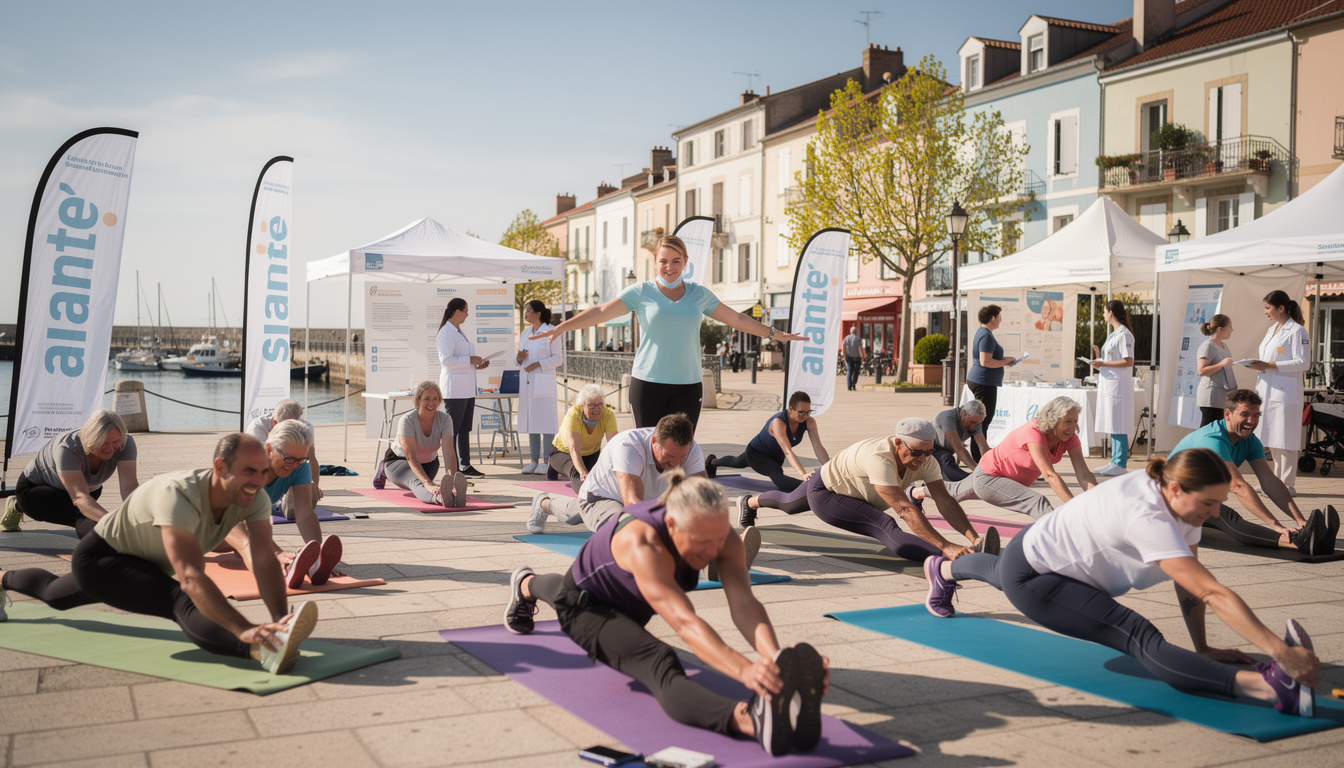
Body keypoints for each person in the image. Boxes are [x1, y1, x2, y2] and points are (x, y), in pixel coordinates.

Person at [922, 449, 1320, 718]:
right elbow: (1213, 592)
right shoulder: (1147, 514)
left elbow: (1194, 585)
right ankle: (1273, 691)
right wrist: (1279, 651)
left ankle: (942, 571)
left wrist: (1204, 647)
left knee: (998, 572)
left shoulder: (1180, 502)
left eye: (1219, 503)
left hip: (1039, 553)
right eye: (1209, 504)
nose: (1215, 513)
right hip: (1038, 575)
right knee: (1139, 636)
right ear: (1178, 488)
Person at [504, 472, 829, 756]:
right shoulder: (641, 543)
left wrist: (775, 661)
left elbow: (744, 603)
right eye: (701, 543)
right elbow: (685, 622)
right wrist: (746, 672)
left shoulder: (719, 536)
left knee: (560, 588)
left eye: (718, 541)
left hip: (627, 599)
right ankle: (749, 719)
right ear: (672, 524)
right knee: (659, 662)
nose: (712, 552)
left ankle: (525, 584)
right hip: (590, 609)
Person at [0, 434, 318, 674]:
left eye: (263, 473)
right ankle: (259, 650)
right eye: (249, 471)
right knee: (180, 599)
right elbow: (191, 578)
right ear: (219, 467)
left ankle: (2, 579)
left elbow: (263, 560)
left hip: (145, 562)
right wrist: (244, 629)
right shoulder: (179, 496)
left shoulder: (255, 495)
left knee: (55, 595)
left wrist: (280, 619)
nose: (257, 482)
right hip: (101, 558)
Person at [531, 236, 806, 429]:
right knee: (649, 450)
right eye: (663, 261)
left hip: (688, 384)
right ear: (654, 261)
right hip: (647, 383)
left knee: (679, 452)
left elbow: (736, 318)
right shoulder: (641, 292)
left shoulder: (699, 294)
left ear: (685, 261)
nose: (669, 267)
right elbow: (602, 311)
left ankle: (673, 509)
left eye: (676, 261)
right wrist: (562, 326)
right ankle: (649, 508)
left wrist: (775, 333)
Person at [737, 418, 998, 562]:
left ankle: (749, 503)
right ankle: (951, 557)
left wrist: (973, 537)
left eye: (928, 451)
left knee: (789, 503)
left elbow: (945, 501)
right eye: (916, 452)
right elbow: (904, 509)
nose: (922, 458)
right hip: (829, 492)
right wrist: (946, 546)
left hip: (842, 483)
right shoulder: (879, 457)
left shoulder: (926, 458)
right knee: (886, 526)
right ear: (898, 444)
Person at [1169, 388, 1332, 556]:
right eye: (1244, 414)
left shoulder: (1250, 441)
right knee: (1226, 517)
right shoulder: (1212, 440)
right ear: (1228, 413)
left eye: (1256, 416)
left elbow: (1270, 481)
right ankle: (1299, 542)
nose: (1251, 421)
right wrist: (1276, 525)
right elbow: (1238, 486)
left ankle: (1313, 537)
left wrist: (1301, 520)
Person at [528, 413, 706, 534]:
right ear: (654, 441)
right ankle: (544, 503)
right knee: (624, 527)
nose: (676, 464)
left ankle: (543, 503)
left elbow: (704, 497)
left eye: (681, 457)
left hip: (644, 500)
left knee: (573, 512)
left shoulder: (691, 449)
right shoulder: (629, 446)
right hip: (601, 497)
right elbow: (633, 505)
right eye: (669, 456)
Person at [222, 420, 345, 589]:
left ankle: (303, 567)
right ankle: (283, 569)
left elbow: (305, 513)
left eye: (300, 459)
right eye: (289, 458)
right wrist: (277, 552)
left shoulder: (299, 466)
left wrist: (318, 555)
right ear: (269, 449)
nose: (294, 465)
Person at [936, 396, 1098, 520]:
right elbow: (1049, 475)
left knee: (953, 492)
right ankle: (1059, 539)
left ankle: (916, 492)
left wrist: (1097, 500)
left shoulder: (1069, 437)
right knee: (1037, 503)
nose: (1072, 427)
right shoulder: (1033, 432)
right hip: (989, 476)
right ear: (1054, 420)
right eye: (1068, 421)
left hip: (998, 476)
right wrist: (1074, 506)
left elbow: (1084, 474)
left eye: (1075, 421)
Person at [3, 410, 139, 536]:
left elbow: (129, 485)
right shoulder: (68, 447)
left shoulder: (126, 443)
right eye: (103, 442)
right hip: (36, 492)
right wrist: (112, 522)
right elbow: (80, 497)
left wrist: (140, 515)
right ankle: (17, 505)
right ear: (91, 438)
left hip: (88, 490)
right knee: (82, 515)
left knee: (88, 512)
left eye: (115, 442)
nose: (110, 448)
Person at [706, 391, 830, 493]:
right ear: (791, 409)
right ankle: (808, 489)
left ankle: (713, 462)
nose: (805, 415)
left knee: (738, 462)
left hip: (775, 456)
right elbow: (787, 452)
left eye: (808, 411)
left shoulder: (809, 422)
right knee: (774, 473)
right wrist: (803, 474)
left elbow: (818, 447)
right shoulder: (778, 422)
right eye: (801, 412)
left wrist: (830, 468)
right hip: (757, 453)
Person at [1247, 290, 1309, 493]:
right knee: (1273, 436)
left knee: (1286, 438)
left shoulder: (1297, 331)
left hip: (1285, 393)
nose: (1265, 312)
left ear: (1281, 308)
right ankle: (1276, 481)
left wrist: (1270, 365)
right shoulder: (1273, 329)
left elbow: (1303, 362)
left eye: (1268, 308)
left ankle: (1288, 483)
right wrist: (1259, 365)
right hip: (1268, 389)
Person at [373, 381, 468, 508]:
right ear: (417, 401)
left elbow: (449, 453)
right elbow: (410, 457)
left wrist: (452, 482)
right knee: (417, 483)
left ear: (439, 401)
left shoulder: (445, 419)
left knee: (426, 482)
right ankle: (439, 498)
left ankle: (451, 494)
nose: (431, 403)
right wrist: (428, 483)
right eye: (426, 399)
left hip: (429, 464)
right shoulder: (407, 421)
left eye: (435, 399)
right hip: (399, 463)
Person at [437, 296, 490, 478]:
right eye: (466, 311)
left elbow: (462, 359)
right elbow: (446, 360)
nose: (468, 314)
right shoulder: (446, 332)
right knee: (453, 429)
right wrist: (469, 360)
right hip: (455, 389)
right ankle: (454, 467)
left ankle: (465, 465)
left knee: (465, 428)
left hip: (467, 388)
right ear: (457, 312)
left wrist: (476, 364)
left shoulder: (459, 331)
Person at [245, 398, 323, 510]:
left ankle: (289, 499)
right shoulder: (257, 427)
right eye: (287, 428)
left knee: (300, 462)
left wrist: (312, 487)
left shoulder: (305, 427)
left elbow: (311, 458)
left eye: (294, 426)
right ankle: (278, 501)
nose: (291, 431)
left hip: (287, 464)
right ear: (274, 423)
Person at [516, 299, 564, 475]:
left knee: (546, 423)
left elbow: (558, 359)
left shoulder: (551, 332)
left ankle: (547, 460)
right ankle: (533, 460)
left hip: (543, 383)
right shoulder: (525, 333)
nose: (525, 313)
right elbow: (518, 357)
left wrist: (538, 364)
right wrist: (519, 357)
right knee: (532, 422)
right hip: (528, 383)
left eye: (528, 311)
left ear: (538, 314)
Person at [1090, 300, 1137, 476]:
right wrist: (1099, 360)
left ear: (1111, 313)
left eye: (1104, 312)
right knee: (1112, 421)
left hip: (1119, 387)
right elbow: (1110, 359)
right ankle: (1113, 461)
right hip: (1110, 385)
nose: (1103, 315)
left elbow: (1128, 360)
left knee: (1119, 423)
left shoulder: (1125, 334)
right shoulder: (1114, 334)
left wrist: (1104, 363)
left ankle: (1120, 462)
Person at [966, 305, 1017, 462]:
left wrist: (1005, 360)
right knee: (981, 422)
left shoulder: (984, 333)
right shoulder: (986, 335)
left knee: (981, 421)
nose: (1001, 319)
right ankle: (979, 460)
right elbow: (985, 361)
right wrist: (1004, 361)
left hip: (983, 381)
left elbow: (987, 359)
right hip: (983, 382)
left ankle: (979, 458)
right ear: (992, 317)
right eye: (999, 316)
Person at [547, 384, 619, 493]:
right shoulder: (573, 414)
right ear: (582, 405)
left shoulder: (608, 415)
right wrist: (582, 472)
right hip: (564, 452)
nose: (597, 409)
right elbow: (574, 449)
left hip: (591, 453)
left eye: (600, 405)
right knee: (576, 472)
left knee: (598, 476)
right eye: (591, 405)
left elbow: (613, 445)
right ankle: (586, 496)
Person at [931, 400, 990, 483]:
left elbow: (984, 448)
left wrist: (991, 469)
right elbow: (959, 449)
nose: (974, 426)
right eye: (972, 422)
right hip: (932, 449)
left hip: (947, 452)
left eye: (977, 424)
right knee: (948, 466)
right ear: (963, 413)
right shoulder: (947, 417)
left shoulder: (975, 422)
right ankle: (975, 481)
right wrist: (978, 471)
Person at [1196, 314, 1237, 427]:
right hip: (1211, 397)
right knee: (1208, 430)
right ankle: (1200, 446)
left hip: (1222, 397)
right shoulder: (1207, 346)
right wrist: (1221, 364)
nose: (1232, 330)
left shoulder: (1224, 346)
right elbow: (1202, 371)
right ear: (1220, 329)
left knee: (1217, 431)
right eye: (1230, 326)